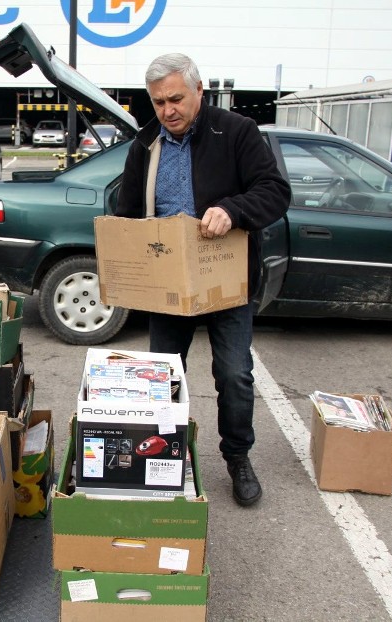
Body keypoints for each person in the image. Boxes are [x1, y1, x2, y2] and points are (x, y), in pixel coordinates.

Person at [116, 54, 291, 507]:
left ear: (198, 91)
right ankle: (165, 458)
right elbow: (128, 210)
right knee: (164, 378)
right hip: (168, 286)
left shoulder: (236, 132)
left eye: (176, 98)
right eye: (158, 103)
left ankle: (237, 458)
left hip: (223, 283)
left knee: (234, 375)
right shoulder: (147, 142)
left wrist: (233, 210)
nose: (168, 110)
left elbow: (274, 191)